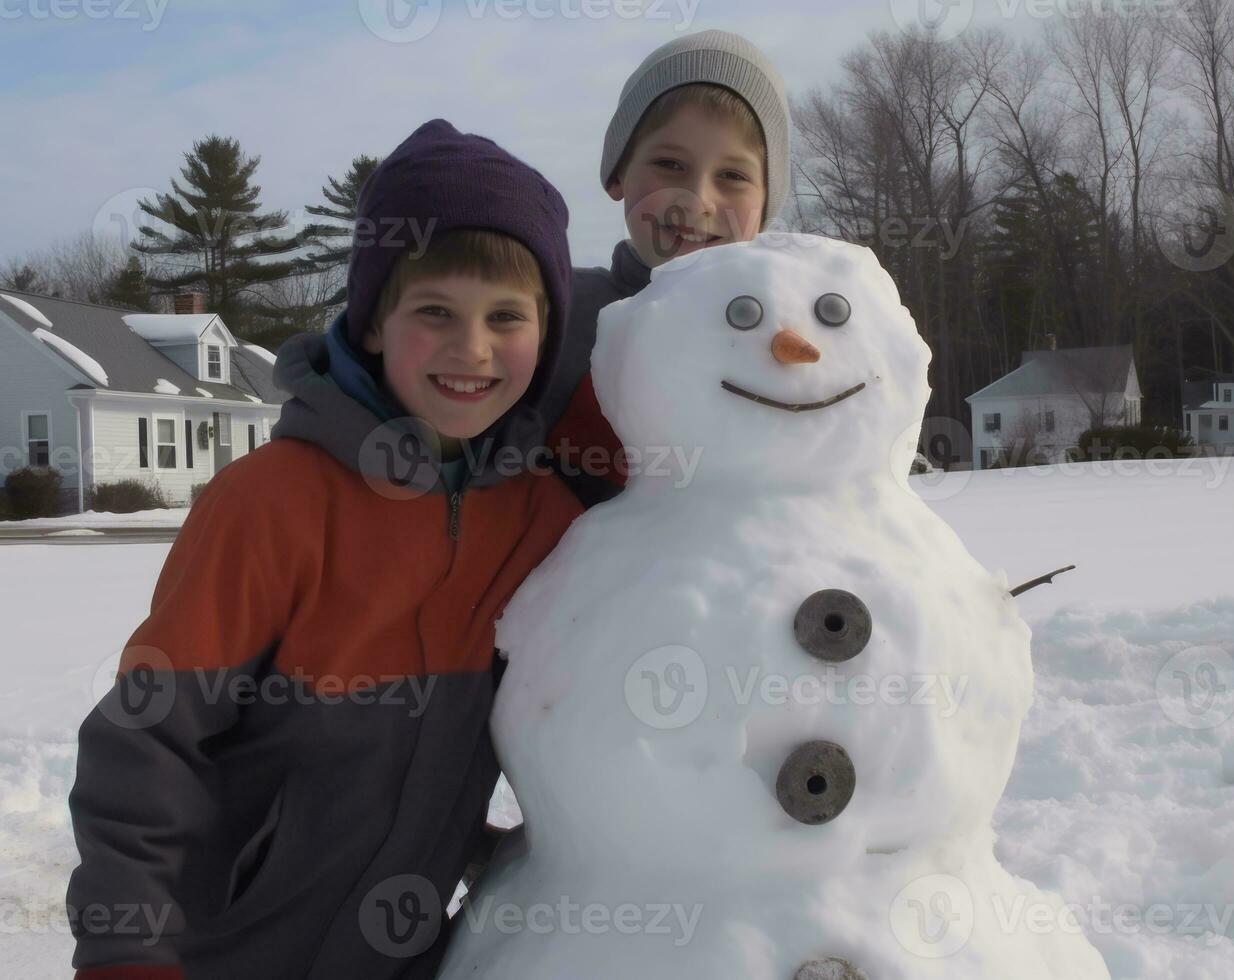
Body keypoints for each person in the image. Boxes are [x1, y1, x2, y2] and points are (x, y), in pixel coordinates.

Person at [64, 118, 582, 980]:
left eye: (506, 317)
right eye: (435, 312)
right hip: (218, 955)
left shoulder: (546, 523)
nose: (472, 347)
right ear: (374, 322)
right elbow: (146, 742)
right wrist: (128, 954)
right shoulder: (271, 503)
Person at [545, 29, 793, 505]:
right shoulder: (555, 316)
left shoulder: (787, 332)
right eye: (670, 164)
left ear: (765, 204)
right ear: (618, 172)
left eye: (733, 176)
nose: (697, 200)